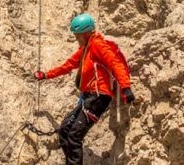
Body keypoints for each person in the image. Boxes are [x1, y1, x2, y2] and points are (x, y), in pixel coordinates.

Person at [33, 14, 134, 165]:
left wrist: (126, 87)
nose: (76, 38)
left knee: (74, 135)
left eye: (78, 35)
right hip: (89, 98)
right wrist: (45, 75)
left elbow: (115, 63)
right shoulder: (85, 49)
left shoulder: (97, 45)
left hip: (99, 97)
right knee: (64, 131)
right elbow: (67, 66)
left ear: (86, 33)